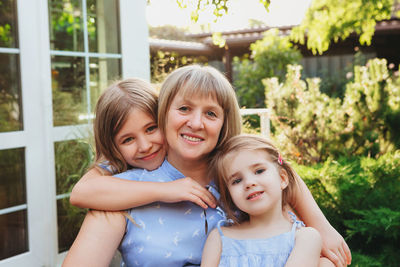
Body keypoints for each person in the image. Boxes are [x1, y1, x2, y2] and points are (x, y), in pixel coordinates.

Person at [65, 65, 351, 267]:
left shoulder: (245, 186)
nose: (196, 123)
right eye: (184, 109)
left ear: (225, 123)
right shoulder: (123, 191)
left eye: (211, 113)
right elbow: (86, 190)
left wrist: (321, 226)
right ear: (164, 112)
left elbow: (282, 173)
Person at [201, 135, 323, 267]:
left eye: (259, 171)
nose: (249, 183)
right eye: (236, 180)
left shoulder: (305, 238)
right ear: (230, 195)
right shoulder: (219, 238)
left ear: (282, 179)